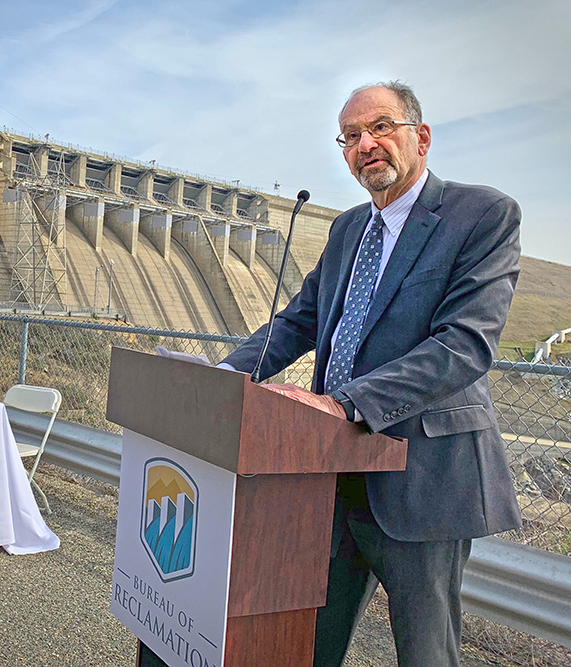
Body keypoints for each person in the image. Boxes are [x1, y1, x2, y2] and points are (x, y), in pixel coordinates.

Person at [218, 81, 521, 667]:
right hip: (330, 473)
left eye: (381, 127)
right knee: (308, 645)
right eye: (351, 136)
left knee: (426, 653)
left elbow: (464, 344)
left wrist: (346, 404)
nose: (366, 144)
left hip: (424, 475)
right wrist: (226, 373)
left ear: (421, 136)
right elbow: (299, 322)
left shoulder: (481, 214)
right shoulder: (347, 228)